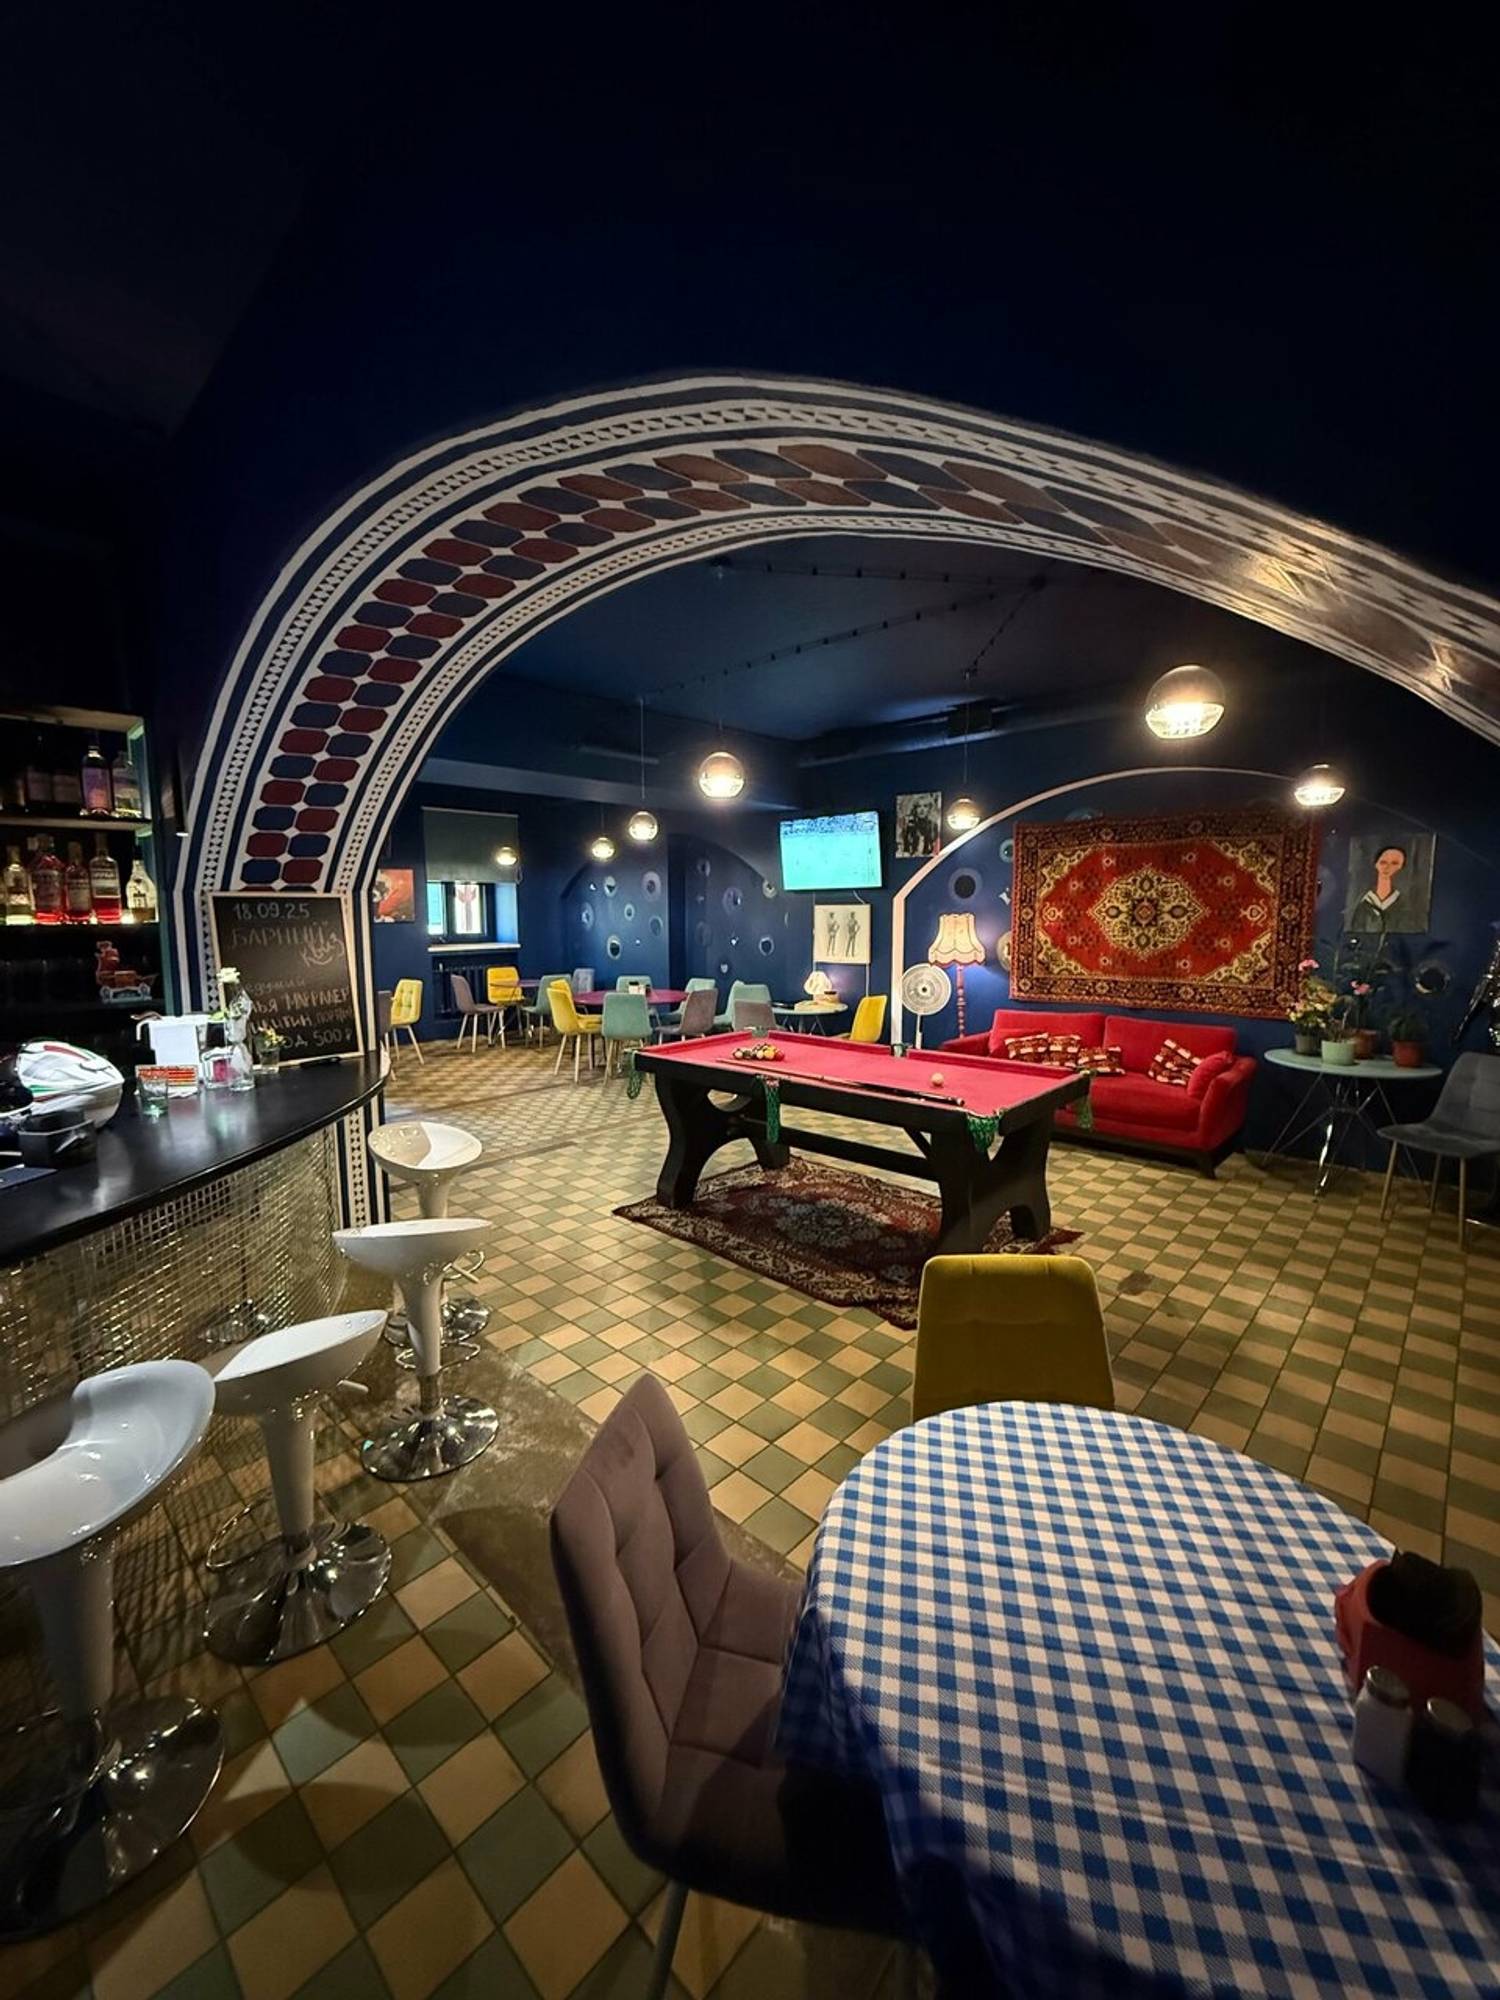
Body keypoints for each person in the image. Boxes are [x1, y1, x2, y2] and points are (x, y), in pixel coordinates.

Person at [1350, 844, 1407, 934]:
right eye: (1383, 862)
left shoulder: (1404, 905)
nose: (1387, 867)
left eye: (1394, 863)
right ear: (1376, 864)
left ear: (1401, 867)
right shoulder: (1363, 903)